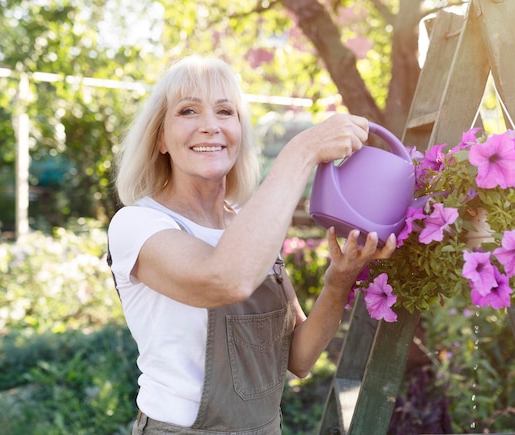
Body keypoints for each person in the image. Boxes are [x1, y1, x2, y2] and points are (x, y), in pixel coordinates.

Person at [107, 55, 396, 435]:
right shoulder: (138, 224)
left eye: (225, 111)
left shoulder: (250, 226)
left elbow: (299, 358)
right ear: (160, 137)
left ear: (239, 131)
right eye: (188, 111)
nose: (210, 126)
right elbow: (226, 280)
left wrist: (339, 281)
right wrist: (304, 150)